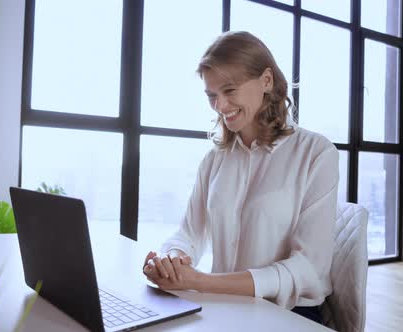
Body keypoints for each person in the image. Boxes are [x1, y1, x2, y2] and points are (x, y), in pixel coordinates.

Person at [142, 31, 338, 325]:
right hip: (223, 307)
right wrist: (171, 259)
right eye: (212, 96)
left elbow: (308, 269)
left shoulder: (316, 153)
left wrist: (202, 282)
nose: (220, 106)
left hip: (289, 314)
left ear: (267, 81)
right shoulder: (215, 159)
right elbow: (188, 233)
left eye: (229, 90)